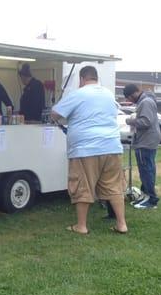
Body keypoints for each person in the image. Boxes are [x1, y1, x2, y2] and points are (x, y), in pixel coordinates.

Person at [51, 66, 128, 234]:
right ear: (96, 77)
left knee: (81, 185)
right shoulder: (108, 94)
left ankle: (81, 226)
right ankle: (121, 224)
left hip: (85, 149)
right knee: (114, 186)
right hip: (112, 146)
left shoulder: (78, 94)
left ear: (82, 79)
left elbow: (54, 114)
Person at [123, 84, 161, 209]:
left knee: (146, 170)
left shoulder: (145, 102)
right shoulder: (147, 100)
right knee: (148, 168)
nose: (129, 101)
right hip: (149, 139)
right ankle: (145, 195)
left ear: (133, 93)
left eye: (129, 98)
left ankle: (151, 199)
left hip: (146, 141)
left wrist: (130, 120)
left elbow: (145, 122)